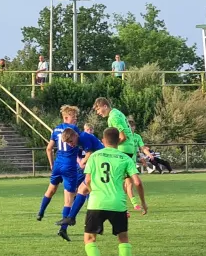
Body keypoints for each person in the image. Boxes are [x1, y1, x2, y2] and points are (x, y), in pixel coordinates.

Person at [82, 127, 147, 256]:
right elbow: (137, 182)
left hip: (96, 202)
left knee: (89, 239)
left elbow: (87, 180)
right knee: (123, 238)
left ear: (102, 140)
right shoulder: (125, 158)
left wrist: (92, 191)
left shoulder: (94, 156)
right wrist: (143, 203)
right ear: (119, 141)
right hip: (118, 203)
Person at [37, 105, 81, 242]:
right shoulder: (74, 130)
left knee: (51, 189)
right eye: (74, 117)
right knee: (69, 199)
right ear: (66, 117)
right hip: (69, 166)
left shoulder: (56, 129)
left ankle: (41, 212)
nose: (76, 119)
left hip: (57, 164)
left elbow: (49, 148)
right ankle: (63, 229)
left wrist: (51, 164)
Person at [93, 97, 144, 211]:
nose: (98, 112)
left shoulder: (113, 116)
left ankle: (119, 208)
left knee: (115, 181)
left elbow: (122, 137)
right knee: (125, 181)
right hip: (129, 149)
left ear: (105, 106)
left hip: (123, 149)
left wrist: (110, 147)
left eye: (98, 109)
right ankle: (128, 206)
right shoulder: (117, 112)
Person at [54, 130, 104, 227]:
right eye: (68, 143)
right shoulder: (78, 140)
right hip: (97, 163)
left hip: (100, 163)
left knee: (84, 190)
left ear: (75, 135)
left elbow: (89, 153)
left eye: (71, 141)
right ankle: (73, 218)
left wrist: (82, 162)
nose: (70, 144)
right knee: (83, 190)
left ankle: (74, 218)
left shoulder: (84, 137)